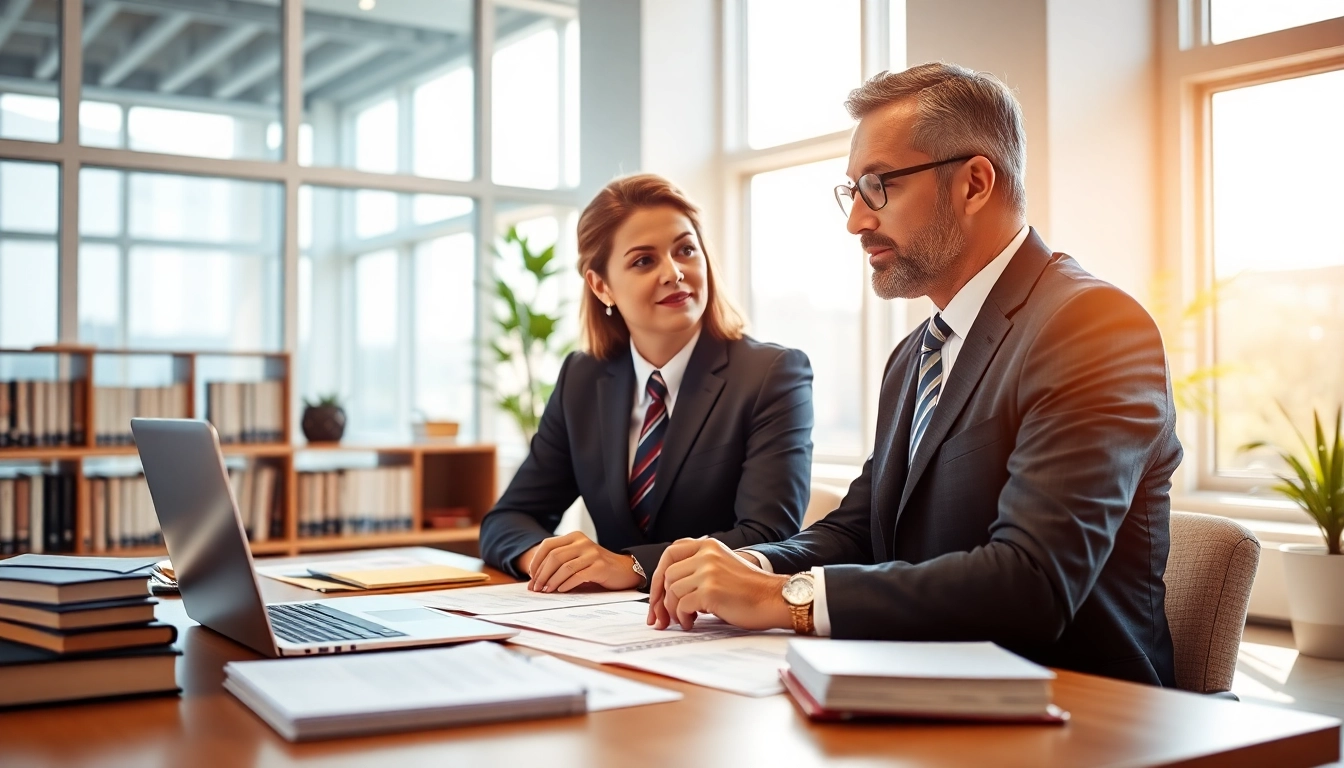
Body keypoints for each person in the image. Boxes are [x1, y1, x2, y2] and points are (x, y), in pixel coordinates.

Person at [647, 63, 1182, 687]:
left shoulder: (1090, 325)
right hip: (917, 688)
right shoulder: (916, 356)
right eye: (853, 191)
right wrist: (751, 564)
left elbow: (1032, 582)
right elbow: (862, 528)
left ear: (975, 183)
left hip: (1078, 715)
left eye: (879, 186)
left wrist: (783, 600)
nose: (856, 221)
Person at [479, 174, 814, 594]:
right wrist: (549, 561)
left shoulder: (772, 374)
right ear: (601, 286)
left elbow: (768, 535)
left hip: (717, 623)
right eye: (643, 261)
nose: (674, 273)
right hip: (605, 624)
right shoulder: (582, 379)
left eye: (685, 250)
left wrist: (631, 566)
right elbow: (507, 519)